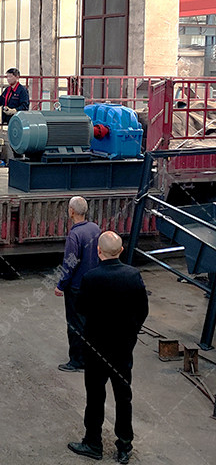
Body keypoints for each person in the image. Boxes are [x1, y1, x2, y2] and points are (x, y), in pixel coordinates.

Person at [67, 232, 149, 464]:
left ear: (98, 251)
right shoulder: (133, 275)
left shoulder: (91, 278)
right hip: (123, 348)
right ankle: (124, 445)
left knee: (95, 396)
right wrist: (131, 332)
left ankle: (93, 443)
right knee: (123, 397)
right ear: (121, 251)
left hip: (96, 348)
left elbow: (81, 308)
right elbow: (143, 310)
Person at [55, 196, 101, 373]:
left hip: (76, 287)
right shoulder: (95, 228)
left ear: (71, 211)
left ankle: (76, 361)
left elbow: (70, 263)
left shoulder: (75, 235)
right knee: (90, 322)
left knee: (75, 324)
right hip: (93, 284)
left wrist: (61, 285)